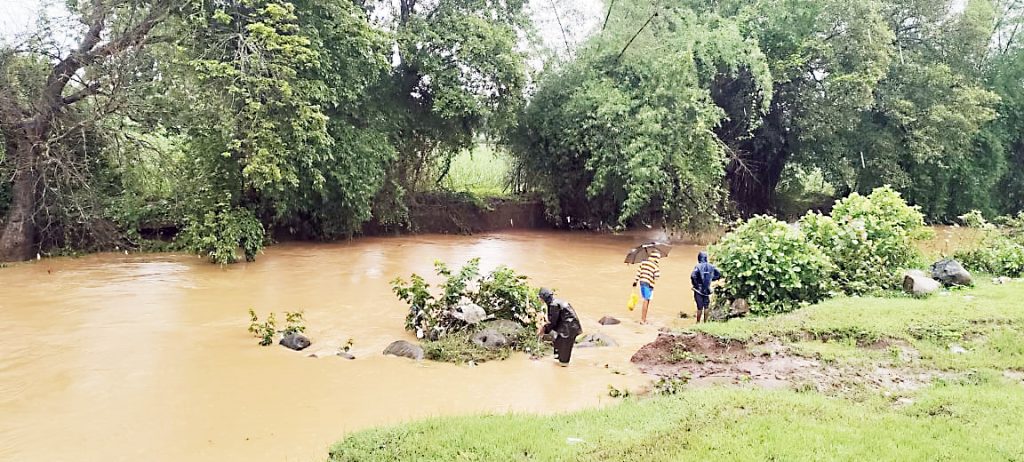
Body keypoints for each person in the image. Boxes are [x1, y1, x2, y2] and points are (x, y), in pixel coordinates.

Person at [536, 287, 582, 366]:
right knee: (557, 343)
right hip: (569, 327)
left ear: (544, 297)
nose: (540, 299)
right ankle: (557, 364)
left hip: (568, 330)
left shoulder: (553, 305)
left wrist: (544, 329)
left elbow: (553, 322)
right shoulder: (555, 302)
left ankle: (563, 369)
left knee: (564, 358)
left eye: (540, 297)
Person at [690, 251, 722, 323]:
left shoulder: (698, 266)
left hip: (698, 290)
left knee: (699, 307)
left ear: (699, 258)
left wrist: (695, 284)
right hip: (707, 290)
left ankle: (698, 322)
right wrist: (711, 279)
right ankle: (705, 322)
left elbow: (693, 276)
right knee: (706, 306)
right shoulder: (711, 266)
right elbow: (719, 274)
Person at [632, 250, 661, 324]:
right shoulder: (655, 265)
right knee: (646, 300)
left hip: (642, 282)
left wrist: (635, 281)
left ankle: (644, 318)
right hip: (649, 284)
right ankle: (643, 319)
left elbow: (638, 272)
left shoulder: (643, 262)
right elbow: (657, 276)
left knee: (646, 299)